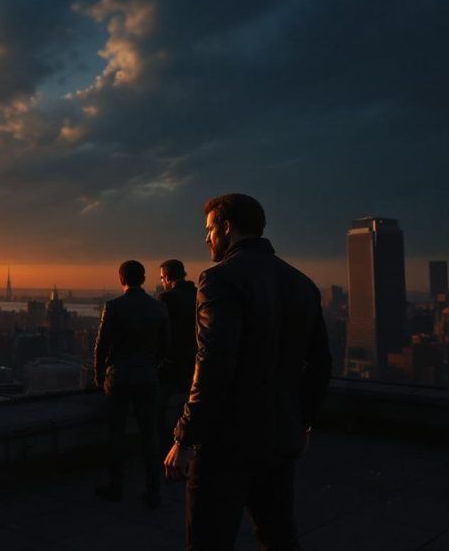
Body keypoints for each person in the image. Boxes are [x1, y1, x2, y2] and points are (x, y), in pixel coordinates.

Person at [164, 194, 331, 550]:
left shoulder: (219, 279)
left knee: (209, 539)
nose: (206, 238)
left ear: (227, 227)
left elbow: (214, 362)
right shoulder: (302, 283)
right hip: (281, 436)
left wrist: (185, 437)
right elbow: (320, 364)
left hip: (227, 442)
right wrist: (303, 423)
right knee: (278, 535)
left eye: (210, 229)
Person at [94, 260, 170, 508]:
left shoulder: (113, 307)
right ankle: (153, 490)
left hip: (118, 376)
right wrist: (152, 366)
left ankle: (116, 487)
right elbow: (166, 347)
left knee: (116, 433)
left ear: (121, 279)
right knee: (150, 435)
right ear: (144, 278)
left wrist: (98, 374)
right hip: (147, 376)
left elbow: (101, 345)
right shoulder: (158, 308)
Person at [157, 259, 197, 457]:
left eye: (162, 278)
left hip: (174, 363)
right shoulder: (198, 294)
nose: (162, 282)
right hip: (196, 363)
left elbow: (160, 333)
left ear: (169, 278)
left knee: (159, 406)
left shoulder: (167, 298)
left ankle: (170, 449)